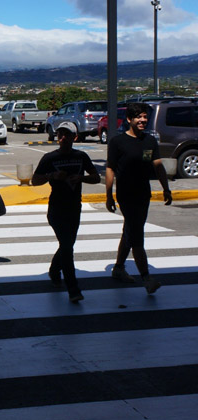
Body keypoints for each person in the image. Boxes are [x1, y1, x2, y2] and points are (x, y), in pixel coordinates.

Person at [106, 102, 172, 294]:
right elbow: (110, 168)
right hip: (126, 194)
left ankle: (118, 268)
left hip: (144, 193)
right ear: (129, 120)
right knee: (136, 235)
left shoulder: (150, 141)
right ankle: (147, 278)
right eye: (138, 117)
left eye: (145, 117)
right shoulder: (118, 142)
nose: (143, 120)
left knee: (131, 229)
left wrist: (166, 188)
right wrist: (109, 196)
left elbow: (158, 165)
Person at [32, 121, 100, 303]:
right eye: (60, 134)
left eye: (66, 134)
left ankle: (54, 270)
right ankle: (73, 289)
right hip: (56, 208)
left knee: (67, 244)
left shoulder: (81, 156)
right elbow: (34, 180)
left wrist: (82, 178)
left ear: (74, 137)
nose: (62, 137)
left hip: (74, 208)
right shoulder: (49, 158)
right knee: (68, 248)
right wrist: (51, 176)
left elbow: (96, 177)